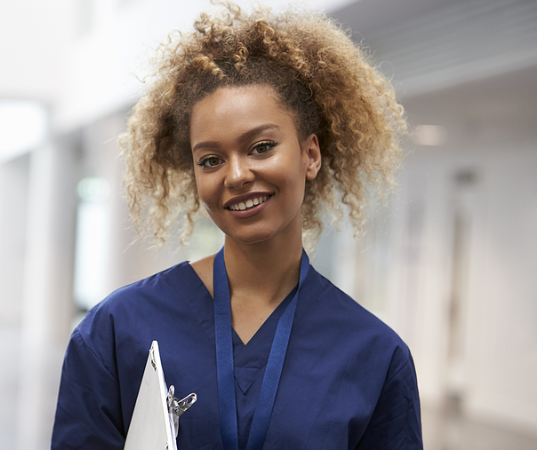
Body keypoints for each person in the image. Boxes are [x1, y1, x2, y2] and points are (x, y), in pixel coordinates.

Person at [51, 3, 421, 449]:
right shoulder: (118, 329)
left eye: (261, 147)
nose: (237, 174)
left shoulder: (374, 356)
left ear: (310, 154)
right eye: (210, 159)